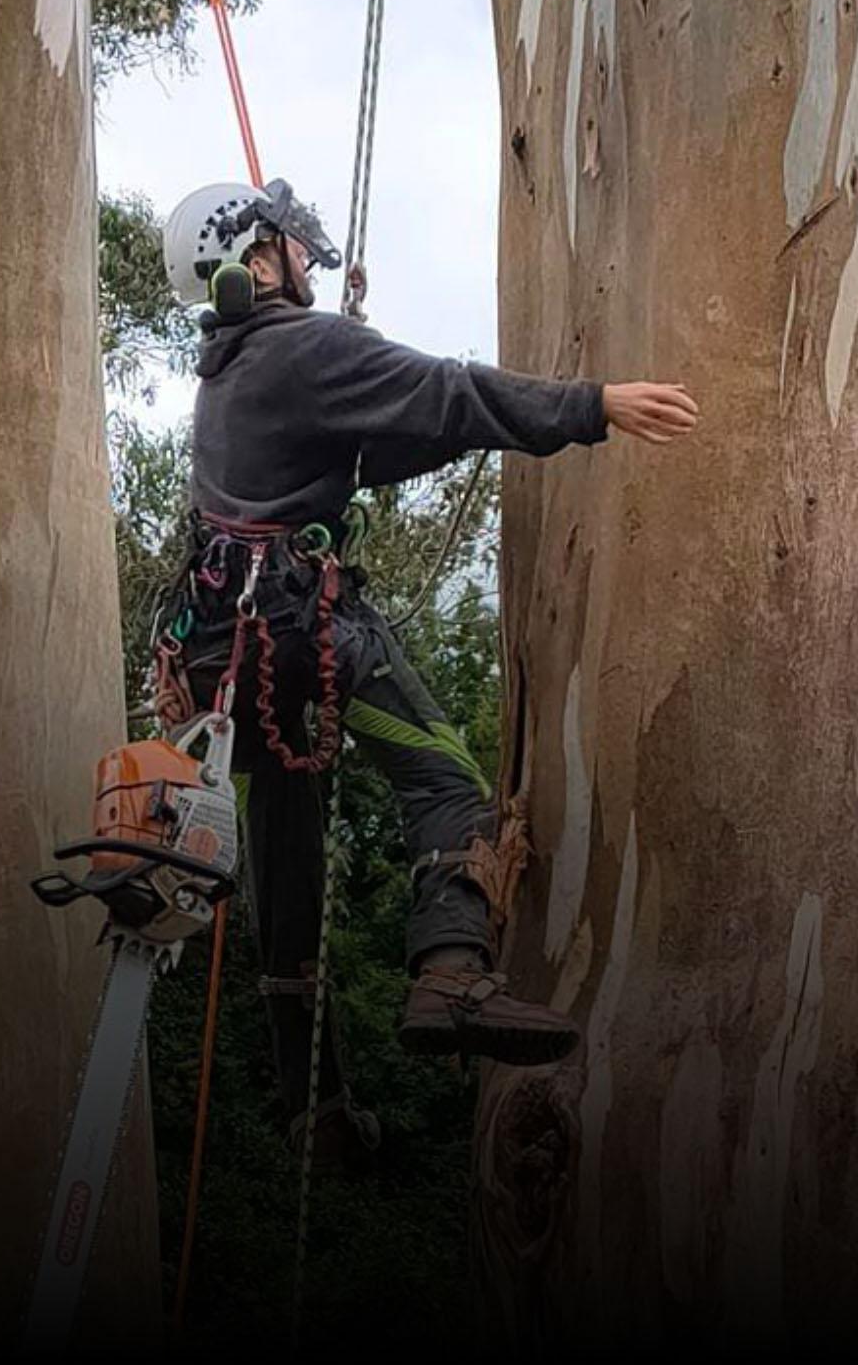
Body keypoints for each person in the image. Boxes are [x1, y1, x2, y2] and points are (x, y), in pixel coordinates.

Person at [146, 179, 699, 1158]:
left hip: (225, 655)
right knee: (448, 786)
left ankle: (309, 1101)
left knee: (290, 872)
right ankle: (450, 969)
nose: (305, 260)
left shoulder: (227, 376)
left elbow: (386, 439)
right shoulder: (300, 348)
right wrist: (591, 406)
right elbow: (444, 392)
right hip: (300, 637)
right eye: (289, 246)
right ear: (262, 261)